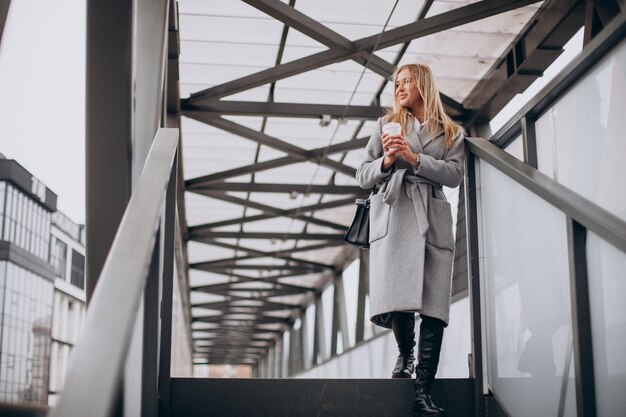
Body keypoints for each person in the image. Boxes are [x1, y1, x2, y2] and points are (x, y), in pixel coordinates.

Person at [355, 63, 465, 417]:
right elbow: (362, 174)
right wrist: (388, 159)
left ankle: (423, 391)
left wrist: (415, 158)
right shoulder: (387, 124)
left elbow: (455, 174)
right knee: (400, 295)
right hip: (396, 212)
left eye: (407, 82)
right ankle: (405, 354)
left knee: (434, 305)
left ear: (423, 85)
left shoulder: (450, 131)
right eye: (396, 83)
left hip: (431, 216)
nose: (400, 88)